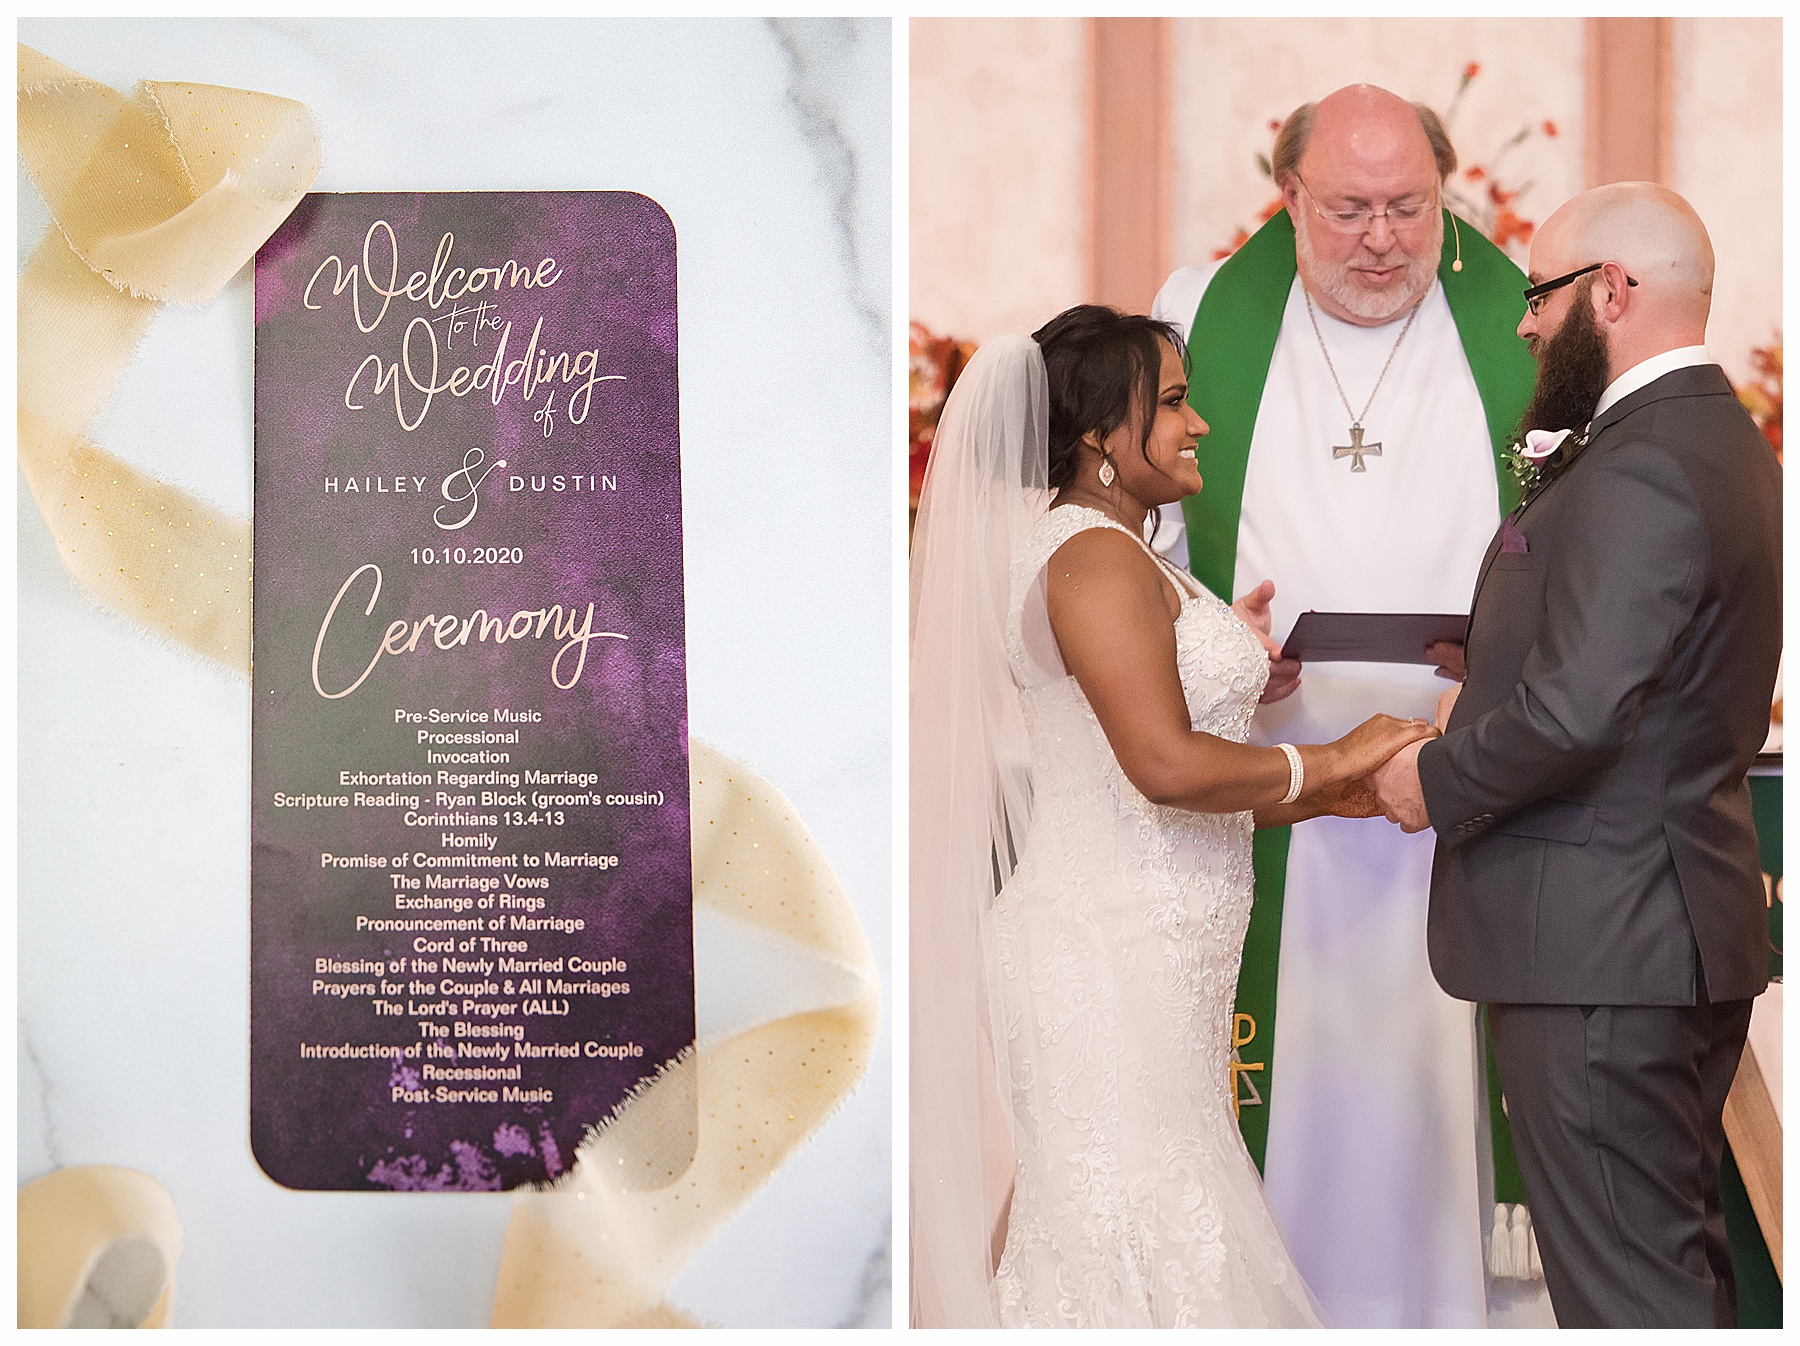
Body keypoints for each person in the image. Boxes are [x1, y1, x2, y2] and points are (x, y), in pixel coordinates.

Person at [909, 304, 1437, 1327]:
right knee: (1120, 1222)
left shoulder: (1126, 552)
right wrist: (1336, 750)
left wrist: (1346, 791)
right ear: (1106, 434)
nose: (1199, 425)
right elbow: (1160, 766)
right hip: (1102, 953)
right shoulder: (1090, 558)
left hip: (1151, 948)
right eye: (1178, 403)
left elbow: (1179, 788)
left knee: (1136, 1214)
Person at [1150, 84, 1541, 1327]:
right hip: (1270, 784)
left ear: (1449, 194)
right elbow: (1136, 544)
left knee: (1433, 1074)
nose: (1381, 238)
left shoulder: (1525, 316)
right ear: (1288, 200)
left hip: (1467, 784)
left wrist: (1514, 656)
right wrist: (1222, 653)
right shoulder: (1197, 312)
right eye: (1349, 210)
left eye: (1408, 208)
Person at [1371, 183, 1781, 1328]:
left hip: (1603, 946)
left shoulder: (1643, 462)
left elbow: (1579, 713)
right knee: (1663, 1268)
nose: (1524, 323)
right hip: (1655, 929)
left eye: (1538, 294)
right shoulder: (1719, 439)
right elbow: (1639, 675)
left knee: (1627, 1298)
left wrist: (1432, 779)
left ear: (1613, 290)